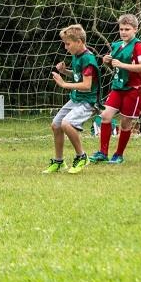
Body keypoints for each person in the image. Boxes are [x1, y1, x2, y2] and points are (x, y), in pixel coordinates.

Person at [90, 14, 141, 164]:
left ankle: (119, 154)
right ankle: (103, 152)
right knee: (105, 116)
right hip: (118, 87)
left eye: (127, 29)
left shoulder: (138, 46)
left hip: (134, 89)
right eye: (121, 29)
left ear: (135, 29)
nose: (123, 32)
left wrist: (122, 65)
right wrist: (106, 61)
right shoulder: (116, 45)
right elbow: (113, 64)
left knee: (125, 123)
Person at [42, 24, 99, 174]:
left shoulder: (88, 59)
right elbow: (77, 76)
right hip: (76, 99)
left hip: (87, 101)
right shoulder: (76, 56)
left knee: (67, 124)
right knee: (56, 125)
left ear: (79, 42)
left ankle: (82, 156)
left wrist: (63, 84)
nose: (66, 47)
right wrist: (64, 71)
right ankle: (59, 162)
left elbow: (87, 85)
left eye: (68, 44)